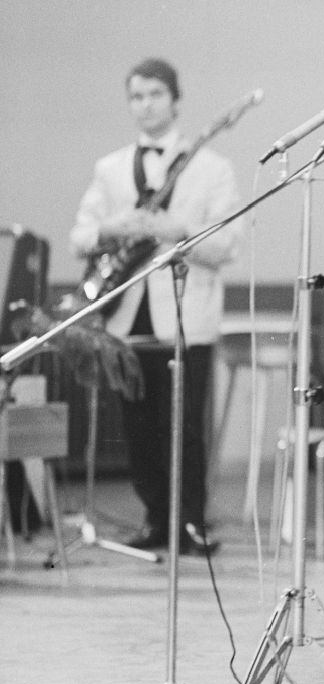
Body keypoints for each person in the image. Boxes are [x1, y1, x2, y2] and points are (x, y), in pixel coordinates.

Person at [70, 57, 241, 555]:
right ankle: (154, 519)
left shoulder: (212, 168)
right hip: (126, 315)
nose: (145, 106)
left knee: (185, 427)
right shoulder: (109, 168)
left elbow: (228, 244)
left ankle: (190, 522)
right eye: (136, 97)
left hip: (186, 320)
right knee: (139, 428)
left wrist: (180, 231)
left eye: (155, 95)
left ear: (175, 99)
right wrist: (114, 227)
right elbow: (79, 236)